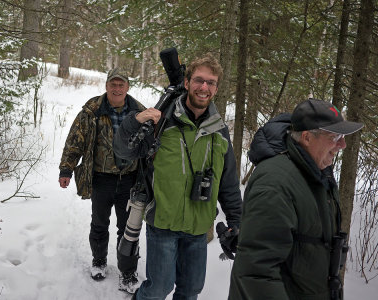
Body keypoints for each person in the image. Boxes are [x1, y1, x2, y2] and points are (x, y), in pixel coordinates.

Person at [113, 53, 243, 299]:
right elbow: (122, 150)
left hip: (198, 227)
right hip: (163, 223)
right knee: (159, 289)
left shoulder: (220, 130)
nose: (204, 87)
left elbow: (228, 184)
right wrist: (135, 120)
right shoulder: (162, 122)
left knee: (191, 290)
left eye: (211, 82)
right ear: (187, 82)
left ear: (216, 88)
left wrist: (237, 223)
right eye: (199, 80)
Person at [229, 98, 364, 300]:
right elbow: (257, 272)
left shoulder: (317, 171)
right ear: (307, 137)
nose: (342, 145)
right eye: (335, 136)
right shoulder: (275, 183)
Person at [58, 68, 146, 294]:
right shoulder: (92, 111)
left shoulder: (139, 112)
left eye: (121, 85)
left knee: (129, 229)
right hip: (101, 178)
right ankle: (99, 261)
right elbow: (75, 140)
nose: (117, 88)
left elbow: (151, 145)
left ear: (127, 87)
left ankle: (127, 272)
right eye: (113, 84)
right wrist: (66, 169)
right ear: (106, 86)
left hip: (130, 180)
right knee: (99, 223)